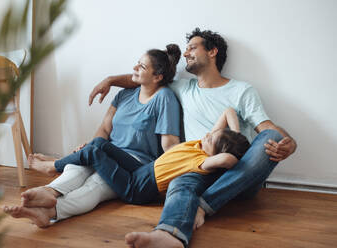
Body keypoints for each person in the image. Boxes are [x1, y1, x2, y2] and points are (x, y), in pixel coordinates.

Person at [88, 28, 297, 248]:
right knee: (181, 179)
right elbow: (147, 78)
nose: (186, 53)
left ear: (212, 52)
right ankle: (170, 235)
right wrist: (110, 80)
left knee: (271, 136)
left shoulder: (241, 90)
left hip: (238, 173)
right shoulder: (183, 88)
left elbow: (266, 127)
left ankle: (202, 206)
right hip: (198, 168)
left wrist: (290, 144)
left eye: (192, 47)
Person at [3, 44, 183, 227]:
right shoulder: (124, 95)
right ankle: (48, 196)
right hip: (105, 152)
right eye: (137, 63)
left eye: (142, 66)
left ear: (158, 77)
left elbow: (169, 144)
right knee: (76, 169)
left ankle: (53, 207)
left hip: (135, 163)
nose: (135, 68)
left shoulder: (165, 98)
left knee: (96, 183)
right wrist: (89, 147)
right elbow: (104, 130)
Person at [91, 108, 250, 206]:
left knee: (91, 153)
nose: (208, 134)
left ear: (216, 153)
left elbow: (228, 160)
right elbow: (228, 111)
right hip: (142, 170)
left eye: (211, 139)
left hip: (135, 189)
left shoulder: (202, 161)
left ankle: (64, 167)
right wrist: (235, 134)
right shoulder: (202, 144)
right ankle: (75, 157)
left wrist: (233, 150)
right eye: (213, 134)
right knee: (99, 142)